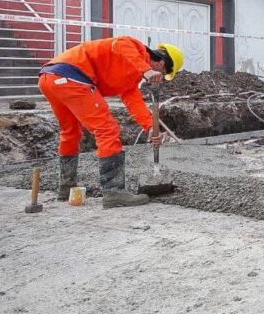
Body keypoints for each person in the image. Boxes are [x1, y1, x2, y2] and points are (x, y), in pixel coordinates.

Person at [37, 37, 183, 209]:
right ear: (161, 64)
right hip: (72, 77)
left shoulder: (130, 77)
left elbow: (134, 103)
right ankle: (114, 193)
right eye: (164, 73)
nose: (160, 78)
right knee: (107, 130)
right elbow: (119, 44)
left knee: (71, 132)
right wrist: (146, 70)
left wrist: (150, 127)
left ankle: (66, 188)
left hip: (50, 78)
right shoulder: (135, 47)